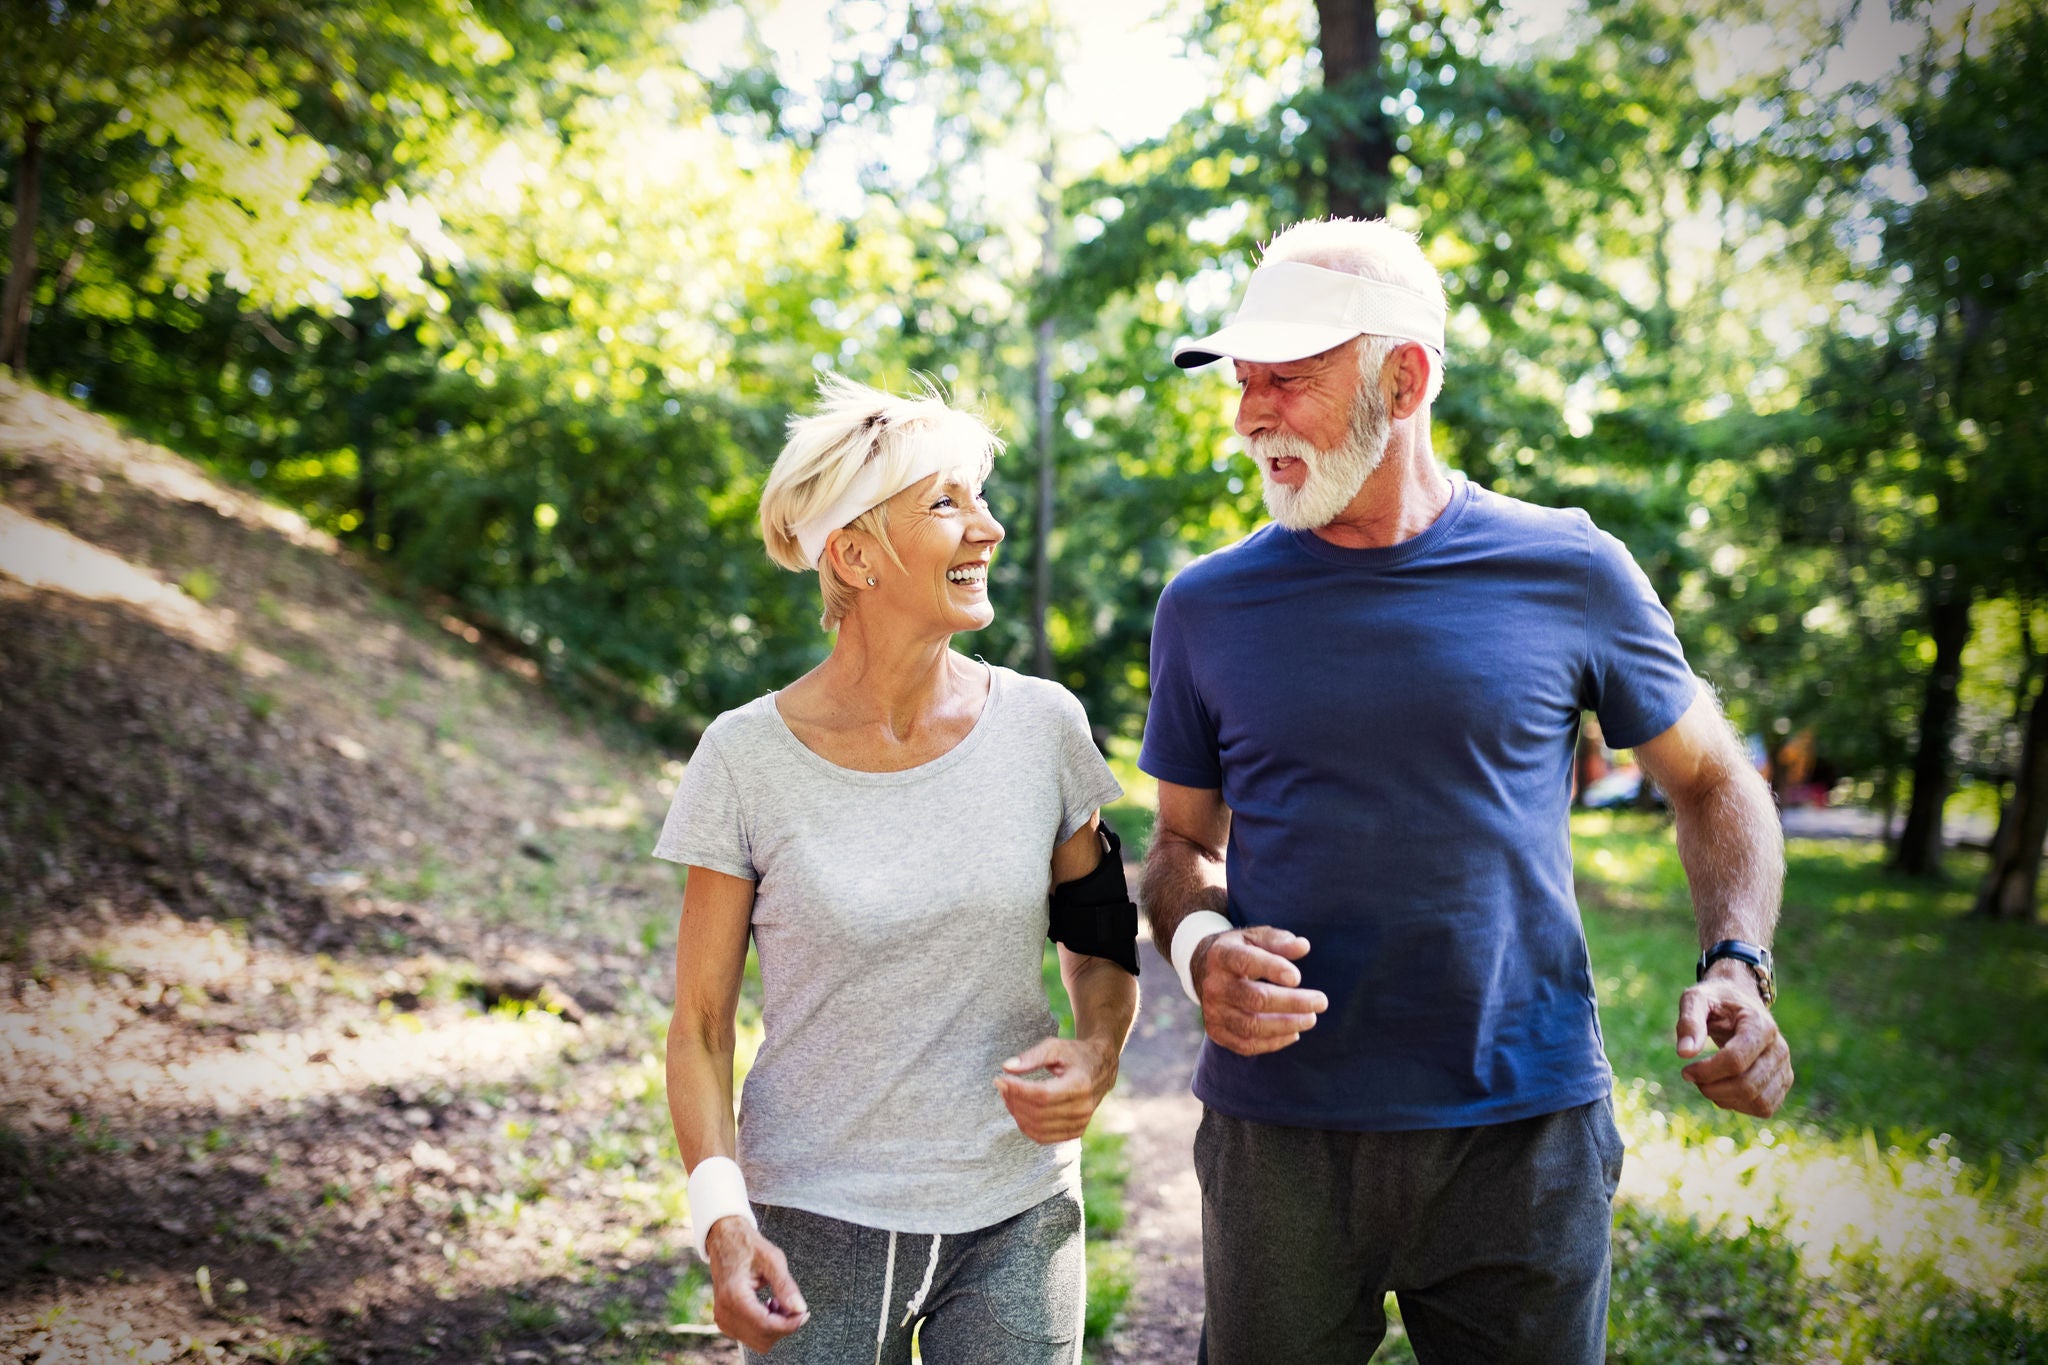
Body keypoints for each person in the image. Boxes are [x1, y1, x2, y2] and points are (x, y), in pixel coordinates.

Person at [1139, 218, 1792, 1365]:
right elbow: (1181, 844)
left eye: (1284, 382)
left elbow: (1711, 782)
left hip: (1522, 1138)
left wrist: (1734, 960)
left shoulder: (1571, 567)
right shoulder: (1203, 606)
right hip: (1278, 1139)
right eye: (1242, 385)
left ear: (1405, 376)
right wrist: (1198, 945)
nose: (1249, 417)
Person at [656, 374, 1140, 1365]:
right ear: (853, 554)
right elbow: (702, 1027)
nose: (988, 530)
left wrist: (1098, 1051)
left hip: (1016, 1209)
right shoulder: (744, 759)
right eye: (946, 503)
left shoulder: (1044, 727)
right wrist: (722, 1219)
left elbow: (1097, 934)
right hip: (812, 1222)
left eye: (983, 500)